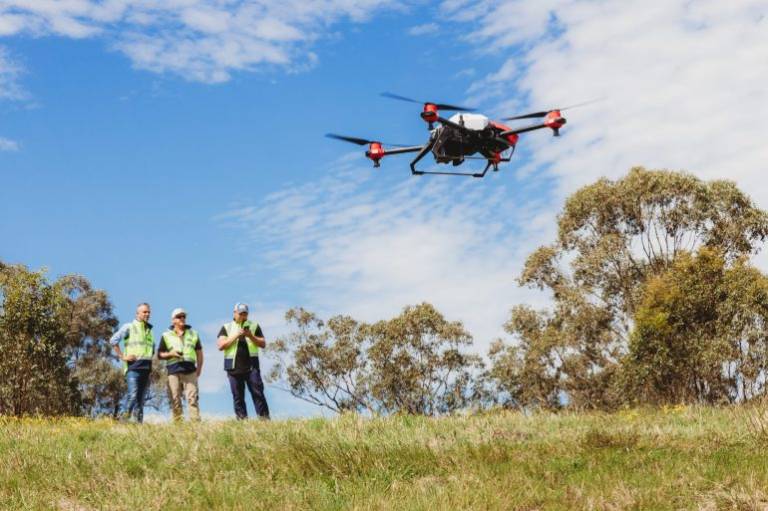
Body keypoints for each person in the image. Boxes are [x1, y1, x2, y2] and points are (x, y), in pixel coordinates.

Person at [217, 303, 270, 419]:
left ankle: (265, 421)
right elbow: (221, 345)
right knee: (238, 397)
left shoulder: (254, 326)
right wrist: (236, 335)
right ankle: (242, 422)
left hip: (252, 368)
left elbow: (263, 343)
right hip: (233, 368)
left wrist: (250, 336)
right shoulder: (226, 327)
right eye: (241, 314)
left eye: (245, 314)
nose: (243, 316)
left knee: (258, 394)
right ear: (235, 313)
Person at [110, 302, 155, 423]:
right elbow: (113, 340)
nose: (147, 314)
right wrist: (122, 356)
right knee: (133, 395)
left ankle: (138, 426)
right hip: (133, 369)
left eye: (148, 312)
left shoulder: (150, 331)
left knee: (140, 400)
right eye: (144, 312)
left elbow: (152, 350)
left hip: (146, 370)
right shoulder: (129, 327)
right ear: (137, 313)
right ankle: (122, 421)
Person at [158, 308, 203, 421]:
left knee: (192, 398)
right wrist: (171, 354)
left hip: (190, 370)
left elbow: (199, 353)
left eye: (183, 316)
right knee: (175, 398)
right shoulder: (166, 335)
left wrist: (199, 369)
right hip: (173, 370)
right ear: (173, 320)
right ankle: (178, 424)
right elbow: (159, 355)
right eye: (179, 317)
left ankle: (195, 423)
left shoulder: (194, 333)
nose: (182, 318)